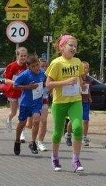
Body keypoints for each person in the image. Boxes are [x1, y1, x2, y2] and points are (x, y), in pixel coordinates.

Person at [45, 35, 85, 172]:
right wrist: (65, 82)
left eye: (75, 46)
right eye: (71, 45)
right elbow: (48, 84)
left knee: (78, 128)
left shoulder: (78, 62)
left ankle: (76, 159)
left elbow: (79, 78)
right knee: (57, 133)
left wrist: (81, 86)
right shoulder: (56, 63)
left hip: (75, 100)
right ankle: (55, 158)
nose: (73, 48)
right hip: (59, 102)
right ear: (62, 47)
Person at [12, 54, 45, 155]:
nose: (36, 68)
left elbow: (46, 83)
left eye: (37, 65)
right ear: (28, 67)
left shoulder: (42, 73)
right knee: (22, 123)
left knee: (36, 120)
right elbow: (15, 85)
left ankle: (32, 142)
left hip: (37, 102)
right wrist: (28, 87)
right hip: (25, 103)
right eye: (33, 66)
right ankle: (17, 141)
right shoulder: (25, 74)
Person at [66, 61, 93, 147]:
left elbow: (88, 89)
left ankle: (84, 137)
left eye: (86, 68)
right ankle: (68, 135)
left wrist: (89, 96)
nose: (85, 69)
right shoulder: (77, 78)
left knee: (86, 120)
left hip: (86, 101)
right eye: (83, 68)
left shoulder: (89, 79)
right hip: (77, 101)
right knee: (73, 119)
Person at [3, 46, 29, 132]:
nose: (23, 58)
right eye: (21, 56)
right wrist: (16, 83)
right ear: (17, 56)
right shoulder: (12, 66)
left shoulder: (27, 67)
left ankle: (22, 133)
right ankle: (8, 119)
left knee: (22, 112)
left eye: (25, 56)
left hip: (23, 92)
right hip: (13, 91)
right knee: (13, 112)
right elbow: (6, 80)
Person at [34, 57, 50, 151]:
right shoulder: (34, 75)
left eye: (45, 66)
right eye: (41, 66)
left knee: (43, 121)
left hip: (44, 101)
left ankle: (40, 142)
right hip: (34, 102)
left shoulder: (49, 76)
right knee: (33, 123)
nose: (43, 68)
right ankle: (32, 140)